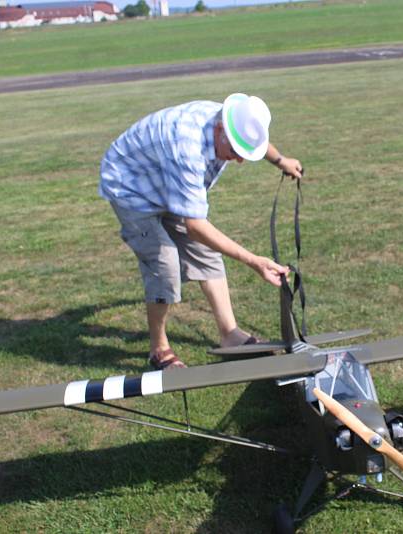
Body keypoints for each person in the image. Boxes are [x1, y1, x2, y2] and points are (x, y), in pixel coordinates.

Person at [99, 93, 303, 370]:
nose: (238, 161)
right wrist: (254, 261)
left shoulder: (233, 119)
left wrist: (281, 160)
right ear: (220, 131)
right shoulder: (188, 149)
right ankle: (158, 348)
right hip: (131, 186)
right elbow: (195, 227)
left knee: (207, 252)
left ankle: (229, 334)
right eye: (235, 153)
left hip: (163, 177)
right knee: (165, 264)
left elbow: (256, 139)